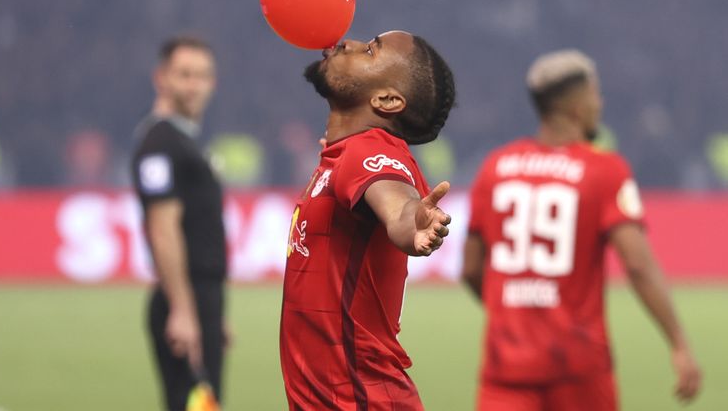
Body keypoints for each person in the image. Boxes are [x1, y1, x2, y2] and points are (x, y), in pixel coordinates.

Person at [462, 50, 701, 411]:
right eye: (595, 95)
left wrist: (512, 308)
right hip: (578, 366)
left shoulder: (495, 168)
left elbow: (469, 268)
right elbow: (638, 265)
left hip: (506, 366)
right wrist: (680, 344)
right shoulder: (604, 170)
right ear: (577, 107)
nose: (600, 104)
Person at [280, 30, 457, 410]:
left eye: (371, 49)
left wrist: (412, 223)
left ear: (387, 100)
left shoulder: (366, 152)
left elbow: (396, 203)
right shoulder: (343, 155)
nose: (349, 43)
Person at [131, 36, 227, 410]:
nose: (194, 85)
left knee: (200, 403)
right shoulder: (160, 145)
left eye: (202, 75)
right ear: (162, 78)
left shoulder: (183, 143)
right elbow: (162, 228)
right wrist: (184, 310)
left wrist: (211, 313)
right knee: (194, 404)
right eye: (184, 74)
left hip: (200, 297)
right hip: (183, 299)